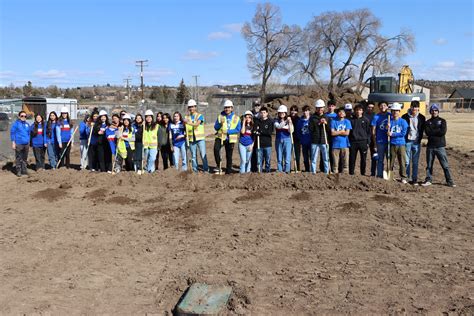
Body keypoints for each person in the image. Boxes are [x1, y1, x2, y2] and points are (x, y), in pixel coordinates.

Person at [422, 104, 456, 187]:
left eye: (436, 110)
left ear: (438, 111)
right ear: (430, 112)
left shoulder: (442, 121)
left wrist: (433, 131)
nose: (434, 112)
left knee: (445, 165)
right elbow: (427, 132)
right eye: (432, 110)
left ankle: (449, 181)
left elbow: (442, 132)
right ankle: (428, 179)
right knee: (429, 165)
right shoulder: (427, 122)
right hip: (430, 147)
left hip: (440, 146)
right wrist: (437, 130)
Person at [213, 99, 241, 174]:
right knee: (216, 149)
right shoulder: (220, 116)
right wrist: (219, 123)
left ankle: (228, 171)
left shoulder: (236, 118)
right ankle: (218, 166)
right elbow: (216, 127)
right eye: (225, 107)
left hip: (230, 139)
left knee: (229, 155)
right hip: (220, 137)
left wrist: (228, 132)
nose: (227, 109)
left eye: (228, 107)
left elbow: (238, 129)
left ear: (232, 108)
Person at [402, 99, 425, 185]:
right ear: (410, 107)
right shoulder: (404, 117)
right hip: (407, 141)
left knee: (415, 162)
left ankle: (414, 179)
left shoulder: (422, 117)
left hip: (416, 142)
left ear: (418, 108)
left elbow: (422, 129)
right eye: (412, 107)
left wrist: (419, 139)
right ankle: (406, 177)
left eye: (416, 107)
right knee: (407, 161)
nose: (414, 109)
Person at [184, 99, 209, 173]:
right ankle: (195, 170)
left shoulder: (200, 116)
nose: (191, 108)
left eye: (193, 106)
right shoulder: (186, 117)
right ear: (188, 108)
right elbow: (186, 128)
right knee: (193, 156)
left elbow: (197, 124)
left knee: (203, 154)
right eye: (190, 107)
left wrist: (188, 122)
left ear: (195, 107)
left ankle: (206, 169)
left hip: (200, 139)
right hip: (191, 139)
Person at [387, 103, 408, 183]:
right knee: (391, 160)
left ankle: (403, 177)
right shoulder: (389, 121)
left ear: (399, 111)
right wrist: (387, 129)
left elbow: (403, 133)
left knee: (402, 161)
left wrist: (393, 134)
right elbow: (387, 133)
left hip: (401, 144)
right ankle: (390, 176)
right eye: (393, 111)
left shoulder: (403, 121)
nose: (395, 112)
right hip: (392, 144)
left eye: (397, 111)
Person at [309, 99, 330, 174]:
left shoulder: (326, 117)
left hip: (324, 140)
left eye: (321, 108)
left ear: (323, 108)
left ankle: (327, 171)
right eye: (318, 108)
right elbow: (310, 129)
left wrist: (326, 123)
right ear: (316, 108)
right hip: (315, 141)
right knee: (314, 158)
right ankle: (313, 172)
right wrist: (318, 123)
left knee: (325, 158)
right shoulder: (312, 118)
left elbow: (329, 129)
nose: (320, 109)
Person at [348, 104, 371, 175]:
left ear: (362, 111)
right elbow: (349, 132)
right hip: (353, 142)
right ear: (354, 111)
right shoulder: (351, 120)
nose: (358, 112)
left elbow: (368, 132)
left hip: (363, 142)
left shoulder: (366, 120)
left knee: (363, 159)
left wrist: (368, 141)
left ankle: (362, 173)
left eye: (360, 110)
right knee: (352, 158)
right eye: (357, 110)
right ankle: (351, 173)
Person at [371, 102, 391, 178]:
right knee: (380, 160)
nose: (383, 107)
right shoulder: (376, 117)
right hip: (380, 141)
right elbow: (373, 131)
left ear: (387, 107)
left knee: (389, 160)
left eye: (384, 105)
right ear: (379, 107)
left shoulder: (390, 116)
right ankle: (379, 175)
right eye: (381, 105)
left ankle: (389, 175)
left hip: (389, 141)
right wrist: (375, 143)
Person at [331, 107, 352, 174]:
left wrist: (337, 132)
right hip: (335, 145)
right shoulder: (333, 121)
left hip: (345, 144)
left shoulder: (347, 121)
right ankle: (335, 175)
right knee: (335, 164)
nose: (341, 113)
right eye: (340, 112)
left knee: (345, 163)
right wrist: (341, 131)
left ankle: (345, 176)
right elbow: (332, 133)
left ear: (345, 114)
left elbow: (347, 133)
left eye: (343, 112)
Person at [10, 111, 31, 177]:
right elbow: (12, 133)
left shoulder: (27, 124)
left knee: (25, 158)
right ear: (19, 116)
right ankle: (18, 171)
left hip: (26, 144)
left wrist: (28, 141)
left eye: (25, 116)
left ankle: (24, 170)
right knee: (19, 158)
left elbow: (28, 133)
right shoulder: (16, 124)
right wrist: (13, 142)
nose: (23, 117)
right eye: (22, 116)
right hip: (19, 143)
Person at [253, 106, 273, 173]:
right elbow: (255, 131)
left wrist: (260, 131)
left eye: (264, 113)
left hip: (267, 145)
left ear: (267, 113)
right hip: (259, 145)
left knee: (268, 160)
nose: (263, 114)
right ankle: (259, 172)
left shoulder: (270, 122)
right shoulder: (257, 121)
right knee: (259, 160)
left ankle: (268, 171)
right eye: (261, 113)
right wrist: (256, 132)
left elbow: (269, 132)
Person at [274, 105, 293, 173]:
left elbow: (291, 131)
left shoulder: (289, 121)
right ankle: (280, 170)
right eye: (280, 112)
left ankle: (287, 170)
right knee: (279, 157)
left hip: (287, 140)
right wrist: (285, 121)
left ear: (285, 113)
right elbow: (278, 127)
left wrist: (290, 123)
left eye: (283, 113)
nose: (281, 114)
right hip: (278, 140)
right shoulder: (276, 120)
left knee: (287, 157)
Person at [296, 105, 312, 172]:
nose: (305, 112)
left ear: (309, 111)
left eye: (307, 111)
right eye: (304, 111)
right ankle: (307, 169)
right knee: (305, 157)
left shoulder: (312, 119)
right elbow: (298, 131)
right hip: (304, 141)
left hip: (311, 141)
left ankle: (312, 169)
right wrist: (301, 139)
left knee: (312, 156)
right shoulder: (300, 121)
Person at [324, 99, 337, 172]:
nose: (330, 107)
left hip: (335, 137)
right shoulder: (325, 115)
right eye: (329, 106)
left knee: (334, 153)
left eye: (332, 106)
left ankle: (333, 168)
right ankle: (324, 168)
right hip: (326, 136)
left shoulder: (336, 116)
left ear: (334, 107)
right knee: (326, 152)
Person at [364, 103, 377, 176]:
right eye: (369, 107)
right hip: (365, 137)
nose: (370, 109)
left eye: (372, 107)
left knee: (374, 155)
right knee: (364, 156)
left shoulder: (376, 116)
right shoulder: (364, 115)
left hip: (373, 138)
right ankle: (363, 172)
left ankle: (373, 172)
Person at [250, 100, 262, 172]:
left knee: (260, 152)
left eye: (258, 105)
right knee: (253, 152)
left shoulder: (262, 114)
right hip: (252, 136)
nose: (257, 107)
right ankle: (253, 167)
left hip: (260, 136)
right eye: (255, 105)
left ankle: (259, 167)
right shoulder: (250, 114)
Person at [289, 105, 301, 172]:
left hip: (297, 139)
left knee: (297, 154)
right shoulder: (288, 118)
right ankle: (288, 168)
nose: (293, 112)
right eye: (292, 110)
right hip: (289, 138)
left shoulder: (299, 119)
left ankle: (297, 168)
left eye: (295, 110)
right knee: (288, 155)